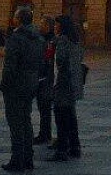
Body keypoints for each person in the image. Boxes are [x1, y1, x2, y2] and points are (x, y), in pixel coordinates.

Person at [0, 6, 44, 172]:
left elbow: (10, 66)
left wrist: (5, 85)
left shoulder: (17, 38)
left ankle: (17, 160)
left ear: (18, 19)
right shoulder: (38, 38)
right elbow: (41, 62)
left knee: (15, 123)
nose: (13, 18)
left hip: (16, 85)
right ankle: (28, 158)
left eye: (15, 16)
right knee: (26, 120)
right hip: (31, 83)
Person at [46, 15, 83, 162]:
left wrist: (52, 50)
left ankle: (61, 150)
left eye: (56, 25)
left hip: (62, 84)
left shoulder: (62, 40)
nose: (55, 27)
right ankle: (75, 147)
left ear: (62, 27)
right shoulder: (75, 40)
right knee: (71, 117)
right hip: (73, 83)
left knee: (61, 117)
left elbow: (60, 60)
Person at [33, 16, 55, 145]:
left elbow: (47, 58)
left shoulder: (50, 41)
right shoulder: (44, 39)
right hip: (42, 77)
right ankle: (44, 133)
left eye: (42, 24)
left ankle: (44, 134)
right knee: (43, 107)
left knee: (45, 107)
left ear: (48, 26)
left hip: (47, 78)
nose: (39, 26)